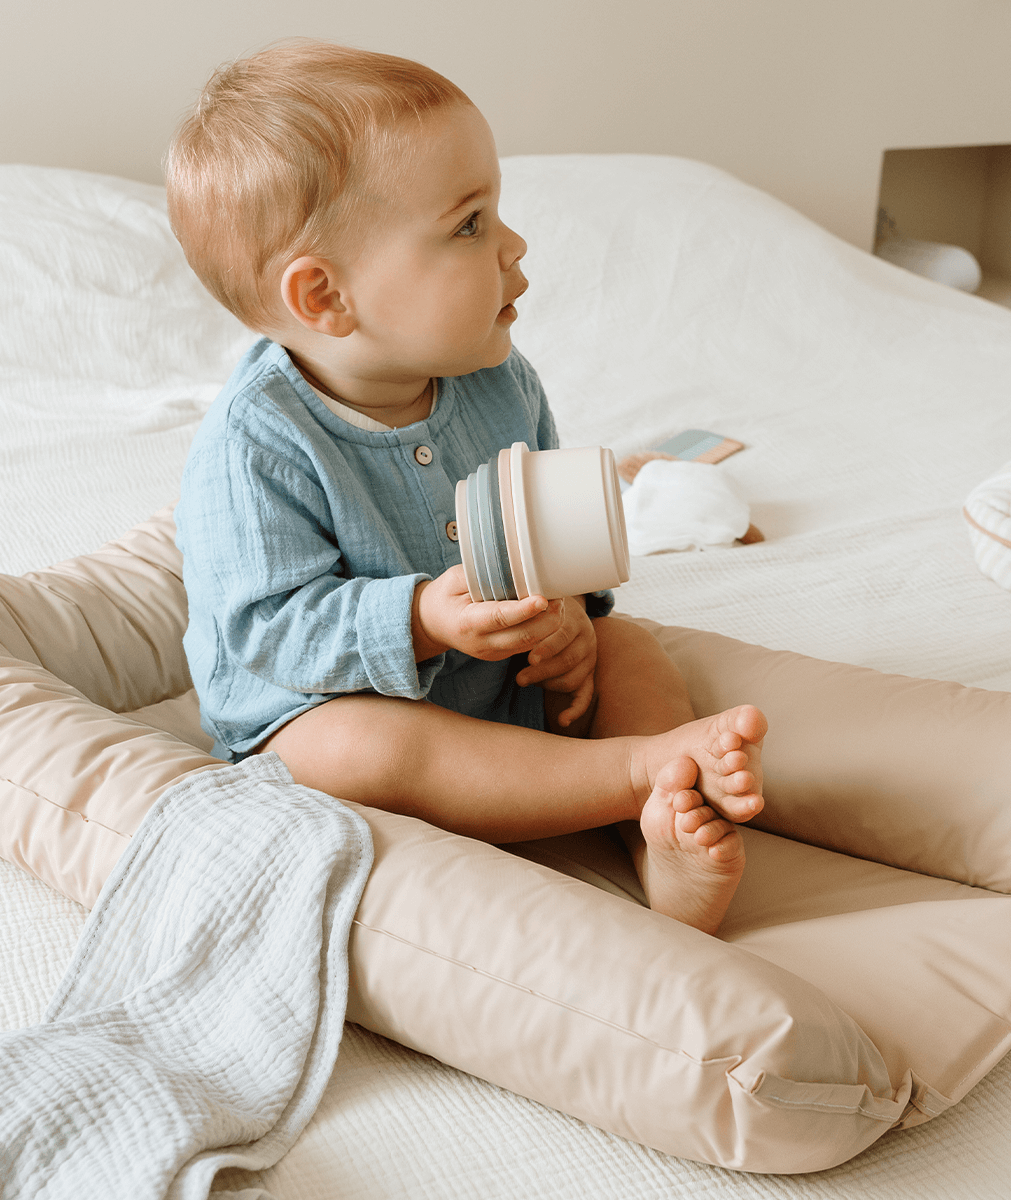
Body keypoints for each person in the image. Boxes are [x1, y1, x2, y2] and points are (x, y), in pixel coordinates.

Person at [167, 40, 767, 935]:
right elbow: (266, 632)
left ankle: (658, 844)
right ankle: (639, 771)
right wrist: (418, 618)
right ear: (326, 297)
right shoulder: (255, 444)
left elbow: (555, 538)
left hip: (500, 684)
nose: (514, 244)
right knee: (357, 748)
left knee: (631, 649)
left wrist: (570, 620)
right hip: (342, 711)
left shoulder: (501, 379)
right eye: (469, 225)